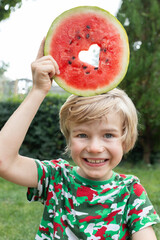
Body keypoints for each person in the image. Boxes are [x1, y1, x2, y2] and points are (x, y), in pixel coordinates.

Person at [0, 39, 159, 240]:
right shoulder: (55, 178)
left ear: (125, 141)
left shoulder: (131, 192)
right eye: (82, 135)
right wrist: (38, 91)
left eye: (108, 135)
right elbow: (3, 160)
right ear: (69, 139)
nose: (94, 148)